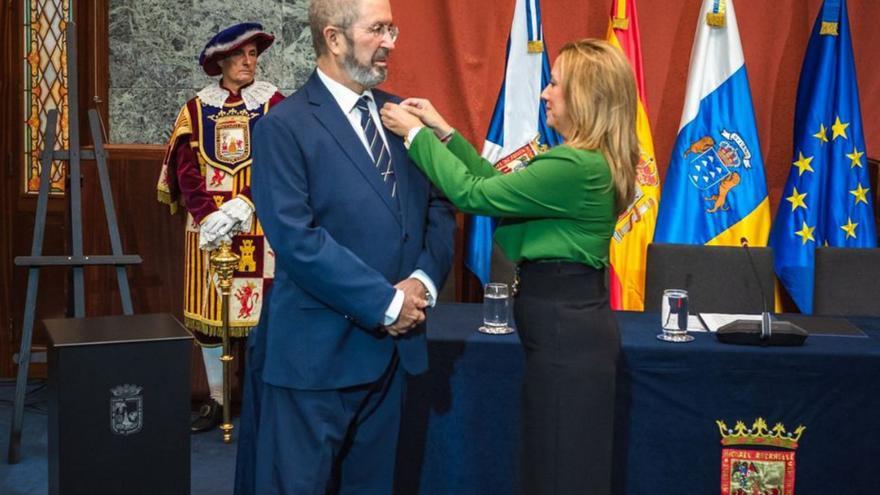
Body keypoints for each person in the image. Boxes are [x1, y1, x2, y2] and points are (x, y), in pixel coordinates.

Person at [381, 38, 639, 495]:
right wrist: (444, 132)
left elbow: (472, 195)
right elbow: (495, 183)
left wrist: (414, 135)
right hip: (566, 330)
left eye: (556, 83)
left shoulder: (575, 166)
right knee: (556, 462)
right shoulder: (585, 163)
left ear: (585, 97)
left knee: (562, 468)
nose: (545, 93)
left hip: (566, 335)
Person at [243, 0, 455, 493]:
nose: (390, 42)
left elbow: (439, 210)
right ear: (334, 38)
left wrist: (421, 283)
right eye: (377, 29)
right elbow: (298, 240)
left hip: (394, 356)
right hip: (314, 364)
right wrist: (387, 303)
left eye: (392, 29)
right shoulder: (282, 127)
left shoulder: (403, 120)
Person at [156, 22, 284, 433]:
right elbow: (184, 168)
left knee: (262, 314)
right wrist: (209, 213)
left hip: (259, 224)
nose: (249, 62)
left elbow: (283, 160)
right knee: (209, 315)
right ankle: (216, 398)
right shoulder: (195, 108)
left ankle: (263, 400)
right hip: (209, 229)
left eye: (253, 55)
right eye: (240, 55)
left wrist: (246, 202)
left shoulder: (274, 103)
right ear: (221, 61)